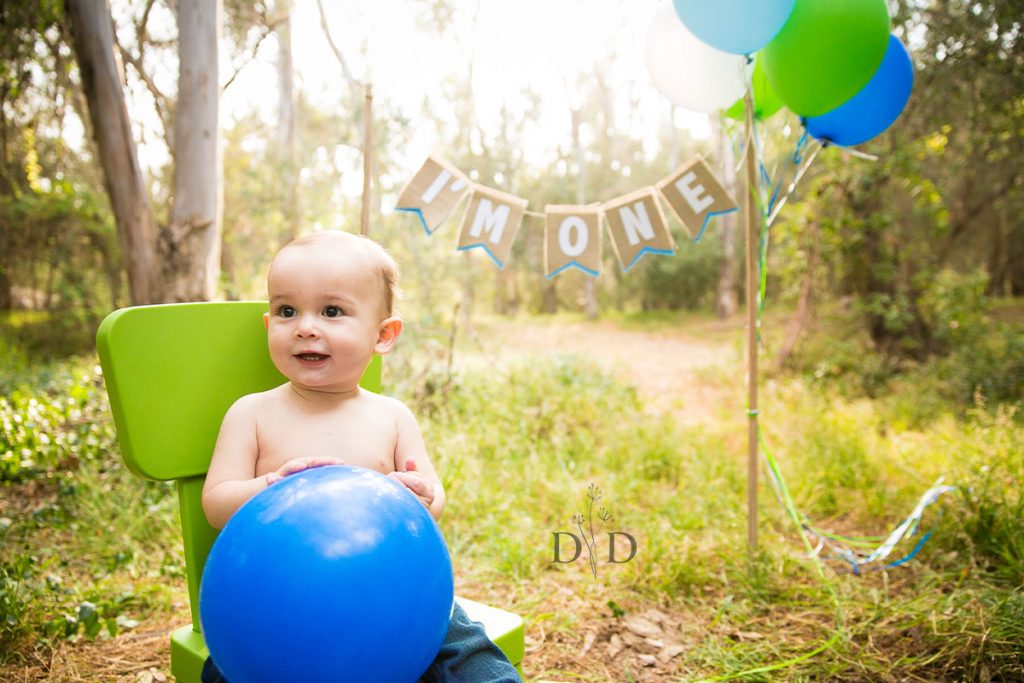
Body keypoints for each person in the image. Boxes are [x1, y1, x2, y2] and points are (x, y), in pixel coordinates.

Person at [200, 230, 521, 683]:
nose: (305, 326)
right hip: (274, 602)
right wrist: (269, 486)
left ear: (383, 335)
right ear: (269, 325)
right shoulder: (251, 414)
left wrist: (419, 493)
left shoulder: (392, 416)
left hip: (394, 596)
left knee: (468, 654)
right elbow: (216, 504)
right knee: (227, 668)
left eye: (332, 311)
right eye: (287, 311)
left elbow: (433, 498)